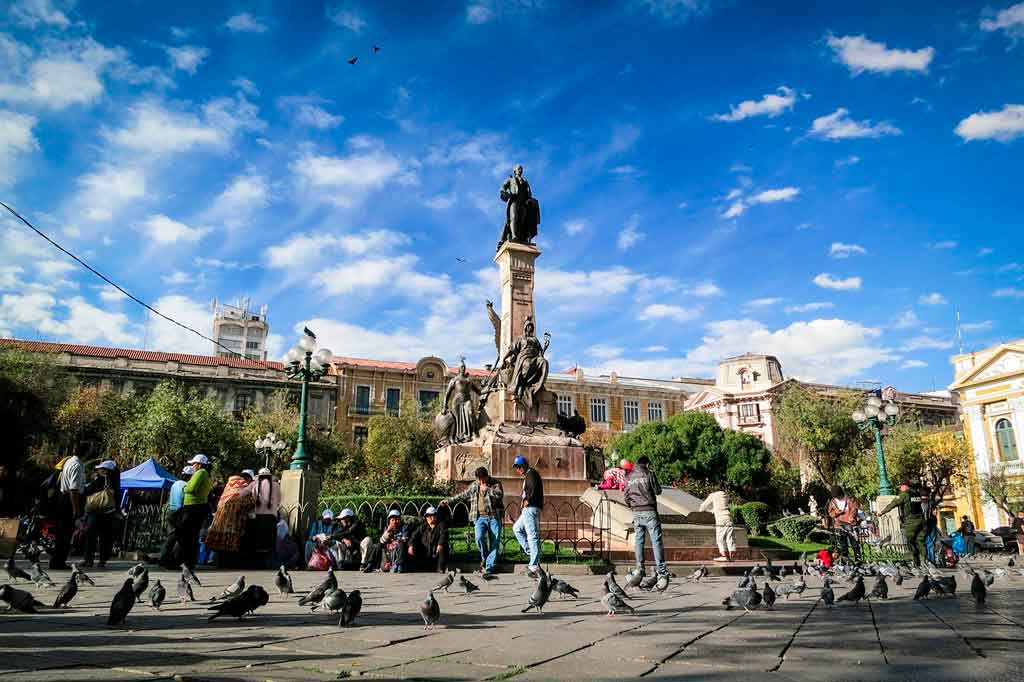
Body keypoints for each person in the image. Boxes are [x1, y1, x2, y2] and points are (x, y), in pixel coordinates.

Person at [443, 466, 505, 574]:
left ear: (487, 476)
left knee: (495, 541)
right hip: (480, 517)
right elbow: (463, 495)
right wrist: (449, 501)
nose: (481, 481)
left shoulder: (495, 483)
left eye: (483, 479)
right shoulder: (475, 485)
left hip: (494, 516)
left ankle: (489, 566)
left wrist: (488, 490)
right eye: (479, 479)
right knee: (479, 537)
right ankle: (485, 558)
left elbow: (500, 495)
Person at [625, 456, 667, 577]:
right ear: (646, 464)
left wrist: (633, 506)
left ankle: (640, 567)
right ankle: (661, 569)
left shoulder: (629, 476)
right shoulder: (649, 474)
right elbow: (658, 490)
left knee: (639, 540)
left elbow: (626, 496)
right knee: (656, 540)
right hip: (649, 510)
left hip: (636, 512)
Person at [205, 470, 256, 559]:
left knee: (221, 547)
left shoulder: (228, 487)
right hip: (232, 523)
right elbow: (247, 503)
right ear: (247, 479)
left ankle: (219, 560)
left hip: (219, 521)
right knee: (230, 547)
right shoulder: (242, 488)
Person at [879, 480, 927, 567]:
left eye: (901, 487)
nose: (900, 489)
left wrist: (881, 512)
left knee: (910, 542)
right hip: (921, 520)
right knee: (920, 542)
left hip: (911, 522)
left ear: (905, 486)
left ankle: (916, 562)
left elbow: (893, 504)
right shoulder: (916, 494)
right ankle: (925, 561)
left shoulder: (904, 495)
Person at [50, 453, 86, 570]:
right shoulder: (76, 465)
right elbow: (73, 489)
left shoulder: (68, 462)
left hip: (64, 499)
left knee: (62, 534)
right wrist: (76, 509)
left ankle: (56, 560)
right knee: (65, 534)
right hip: (69, 501)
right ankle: (59, 562)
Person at [82, 460, 120, 568]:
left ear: (105, 470)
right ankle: (102, 560)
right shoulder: (115, 482)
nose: (98, 470)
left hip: (95, 513)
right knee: (106, 538)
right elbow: (117, 499)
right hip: (109, 513)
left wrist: (92, 481)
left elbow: (87, 491)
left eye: (100, 468)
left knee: (91, 537)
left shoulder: (99, 480)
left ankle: (89, 560)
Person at [177, 454, 213, 570]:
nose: (192, 466)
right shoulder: (206, 474)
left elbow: (190, 488)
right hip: (199, 506)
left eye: (193, 464)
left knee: (187, 535)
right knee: (192, 535)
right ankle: (190, 561)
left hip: (192, 507)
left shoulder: (200, 473)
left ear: (199, 464)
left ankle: (185, 560)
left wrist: (185, 488)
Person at [511, 455, 543, 577]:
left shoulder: (531, 474)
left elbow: (533, 488)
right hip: (527, 509)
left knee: (532, 535)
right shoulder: (528, 475)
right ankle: (531, 552)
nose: (517, 470)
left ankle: (534, 565)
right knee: (516, 529)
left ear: (524, 465)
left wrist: (528, 500)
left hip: (531, 508)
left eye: (519, 467)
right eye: (516, 467)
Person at [408, 507, 449, 573]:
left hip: (437, 553)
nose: (429, 518)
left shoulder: (441, 525)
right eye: (427, 516)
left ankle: (441, 568)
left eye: (432, 515)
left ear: (436, 516)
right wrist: (411, 545)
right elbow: (414, 535)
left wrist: (440, 544)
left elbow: (444, 535)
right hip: (426, 553)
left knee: (443, 547)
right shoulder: (423, 526)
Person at [826, 486, 861, 561]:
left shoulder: (850, 498)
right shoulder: (833, 501)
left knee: (855, 544)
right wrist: (836, 512)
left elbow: (854, 508)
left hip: (851, 524)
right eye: (836, 497)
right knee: (843, 545)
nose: (837, 498)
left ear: (841, 494)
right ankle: (845, 561)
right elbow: (830, 512)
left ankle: (858, 560)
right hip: (840, 525)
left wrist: (851, 517)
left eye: (838, 496)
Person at [700, 489, 735, 562]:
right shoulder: (725, 495)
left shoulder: (713, 495)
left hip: (721, 520)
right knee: (730, 538)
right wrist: (714, 510)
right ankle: (732, 556)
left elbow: (702, 507)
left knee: (720, 539)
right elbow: (722, 505)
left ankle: (724, 556)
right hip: (729, 518)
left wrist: (710, 511)